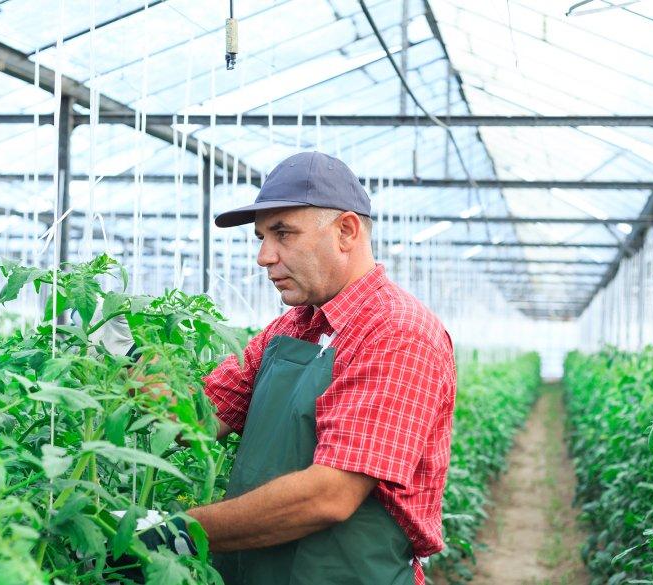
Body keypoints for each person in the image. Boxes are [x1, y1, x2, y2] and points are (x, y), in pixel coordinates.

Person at [104, 151, 456, 585]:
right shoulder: (292, 327)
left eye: (283, 234)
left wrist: (180, 532)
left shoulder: (396, 332)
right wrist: (131, 359)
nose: (264, 257)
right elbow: (194, 421)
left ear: (346, 231)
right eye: (261, 238)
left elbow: (330, 495)